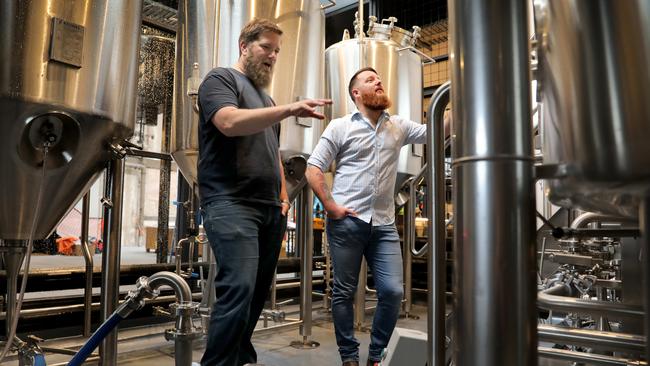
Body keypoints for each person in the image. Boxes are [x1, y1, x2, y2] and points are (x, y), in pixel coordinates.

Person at [197, 18, 331, 366]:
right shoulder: (220, 79)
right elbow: (226, 122)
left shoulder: (265, 96)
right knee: (238, 287)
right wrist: (288, 108)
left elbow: (272, 152)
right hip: (230, 202)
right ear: (244, 46)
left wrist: (284, 196)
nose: (272, 56)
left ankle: (239, 355)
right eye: (265, 47)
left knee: (256, 293)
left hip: (269, 207)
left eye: (277, 51)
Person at [306, 67, 427, 366]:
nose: (379, 82)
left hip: (384, 224)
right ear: (356, 93)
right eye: (371, 80)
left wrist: (454, 104)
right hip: (347, 221)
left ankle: (377, 354)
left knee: (392, 291)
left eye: (380, 78)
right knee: (344, 292)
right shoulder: (340, 126)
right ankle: (349, 356)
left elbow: (434, 129)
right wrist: (331, 206)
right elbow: (313, 168)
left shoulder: (398, 126)